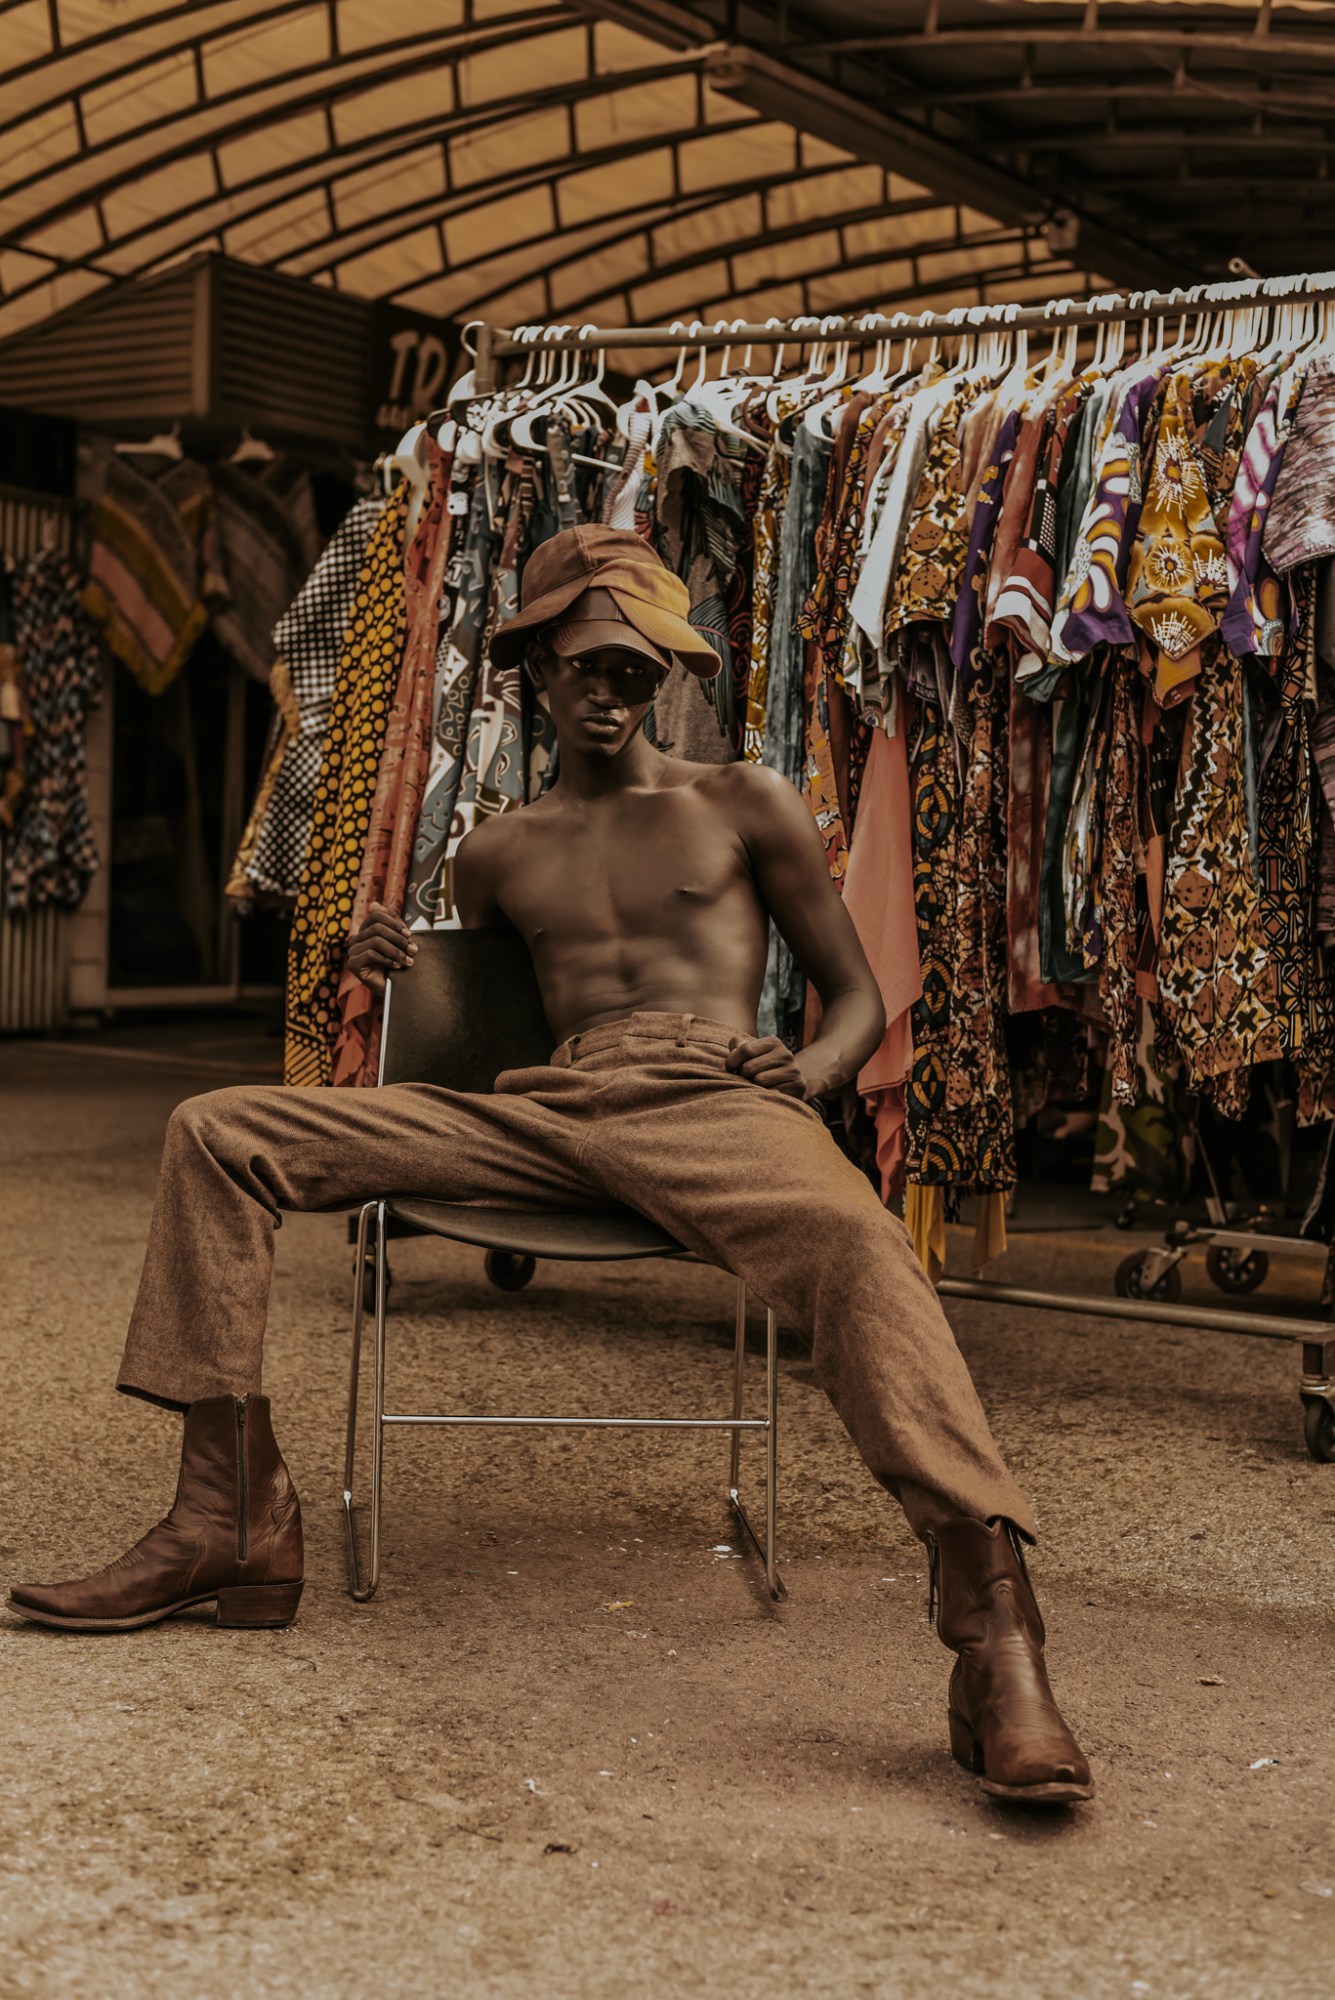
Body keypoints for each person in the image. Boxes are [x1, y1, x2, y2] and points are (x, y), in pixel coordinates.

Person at [10, 526, 1091, 1808]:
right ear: (536, 668)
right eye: (587, 664)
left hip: (714, 1096)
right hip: (550, 1105)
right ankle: (228, 1518)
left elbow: (859, 997)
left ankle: (998, 1639)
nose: (613, 690)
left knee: (861, 1243)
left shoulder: (742, 799)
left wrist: (805, 1076)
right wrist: (387, 970)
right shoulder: (494, 849)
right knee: (217, 1126)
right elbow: (494, 1032)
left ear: (662, 676)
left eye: (637, 669)